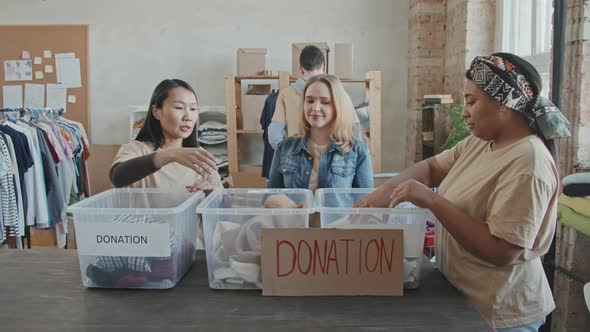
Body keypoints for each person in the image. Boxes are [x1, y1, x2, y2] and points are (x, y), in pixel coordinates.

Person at [355, 53, 571, 331]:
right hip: (463, 300)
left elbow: (502, 250)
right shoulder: (481, 143)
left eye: (471, 101)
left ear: (504, 102)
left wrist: (432, 200)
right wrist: (380, 196)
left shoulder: (528, 162)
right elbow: (431, 168)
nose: (465, 111)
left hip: (500, 314)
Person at [110, 79, 222, 193]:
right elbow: (117, 178)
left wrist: (211, 193)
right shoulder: (137, 149)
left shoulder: (200, 157)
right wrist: (171, 154)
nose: (188, 116)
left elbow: (223, 203)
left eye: (193, 109)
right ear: (156, 112)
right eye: (179, 107)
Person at [267, 74, 373, 191]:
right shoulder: (284, 147)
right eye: (310, 101)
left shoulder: (358, 151)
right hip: (298, 210)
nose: (316, 108)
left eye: (325, 102)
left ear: (338, 106)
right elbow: (271, 198)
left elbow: (365, 203)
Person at [268, 45, 360, 149]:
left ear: (301, 69)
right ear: (324, 67)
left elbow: (274, 135)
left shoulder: (285, 95)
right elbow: (354, 131)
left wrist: (289, 156)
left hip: (297, 159)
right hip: (332, 159)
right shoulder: (340, 93)